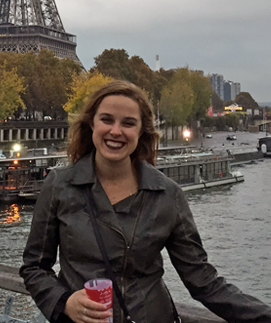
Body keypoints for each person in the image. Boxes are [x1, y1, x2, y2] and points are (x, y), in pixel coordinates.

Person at [20, 80, 271, 323]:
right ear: (91, 125)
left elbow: (202, 279)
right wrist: (65, 302)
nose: (115, 131)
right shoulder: (60, 186)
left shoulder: (167, 195)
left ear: (141, 132)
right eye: (107, 119)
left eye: (128, 123)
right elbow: (34, 267)